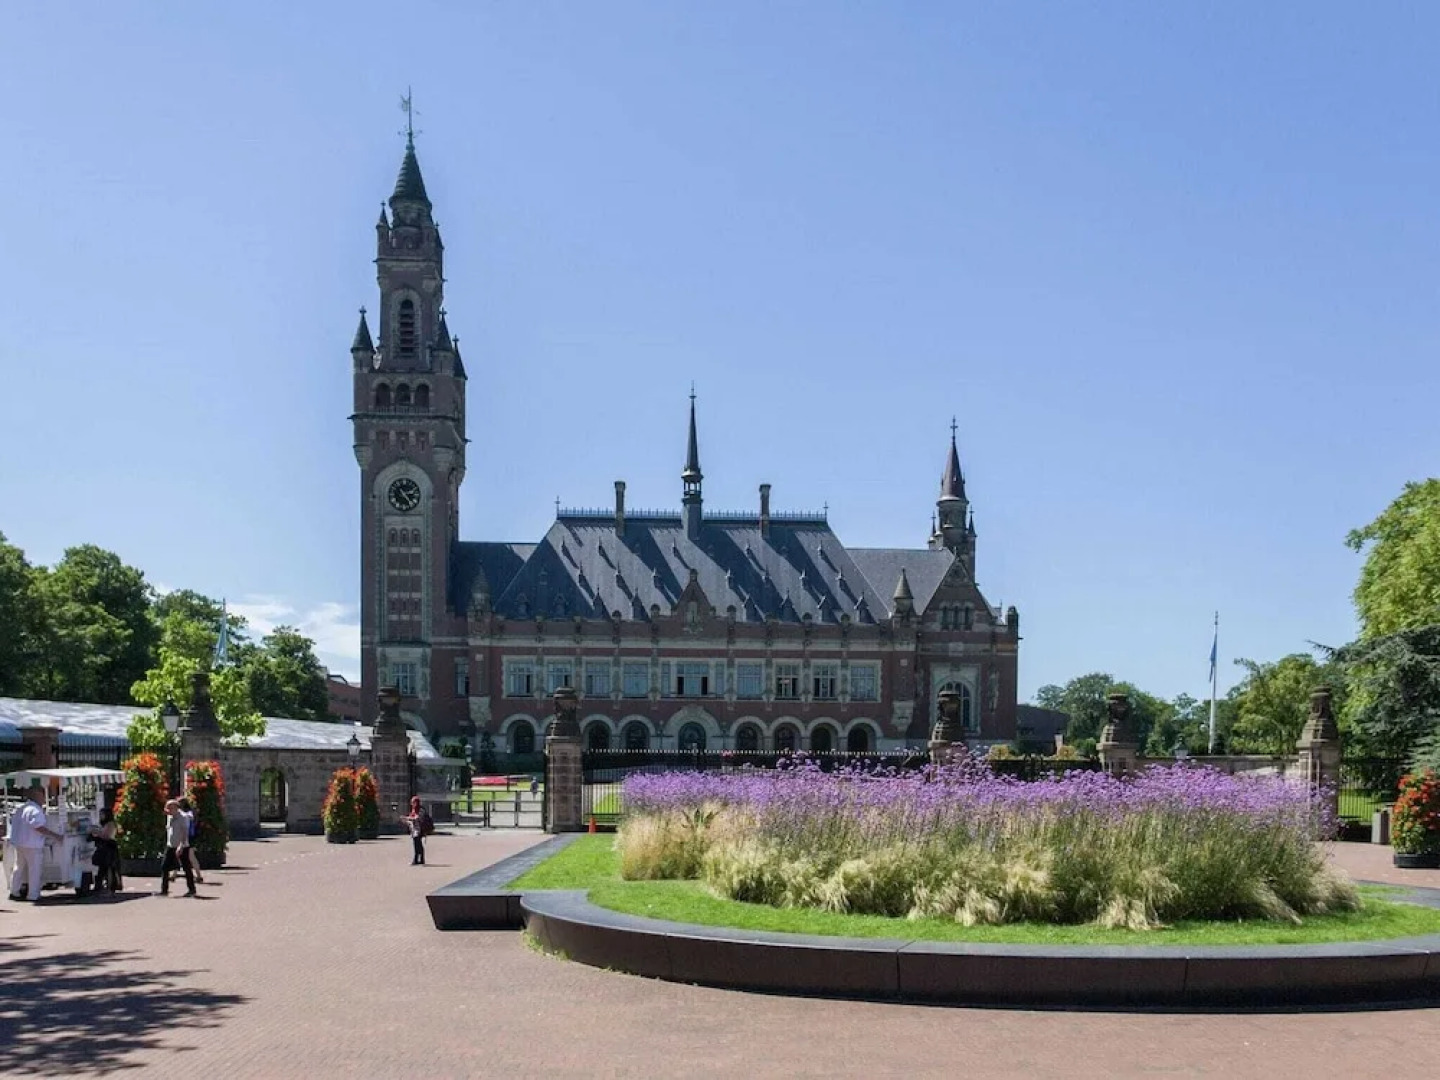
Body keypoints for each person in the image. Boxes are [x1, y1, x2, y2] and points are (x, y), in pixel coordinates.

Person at [8, 786, 63, 903]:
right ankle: (33, 894)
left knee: (18, 868)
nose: (44, 799)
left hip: (20, 843)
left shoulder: (21, 808)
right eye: (43, 795)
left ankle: (14, 891)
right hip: (32, 844)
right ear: (37, 795)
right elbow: (38, 827)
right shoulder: (35, 810)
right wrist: (55, 835)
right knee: (34, 870)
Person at [160, 798, 196, 897]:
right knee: (164, 867)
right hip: (171, 845)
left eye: (169, 808)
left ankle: (192, 889)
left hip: (182, 846)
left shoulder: (183, 817)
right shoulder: (170, 817)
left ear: (175, 807)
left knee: (186, 867)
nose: (167, 811)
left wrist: (181, 845)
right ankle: (164, 890)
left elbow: (185, 832)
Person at [88, 808, 123, 895]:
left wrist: (96, 833)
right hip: (104, 848)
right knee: (102, 868)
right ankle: (100, 886)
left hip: (109, 848)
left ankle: (110, 886)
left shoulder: (110, 824)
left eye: (102, 814)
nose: (101, 816)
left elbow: (106, 836)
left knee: (108, 868)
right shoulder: (104, 824)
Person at [402, 795, 426, 866]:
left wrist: (407, 818)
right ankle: (420, 860)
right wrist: (406, 820)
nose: (412, 804)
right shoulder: (414, 809)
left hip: (419, 830)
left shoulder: (421, 810)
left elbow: (417, 818)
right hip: (414, 830)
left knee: (417, 845)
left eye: (413, 802)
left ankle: (417, 860)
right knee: (418, 845)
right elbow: (412, 819)